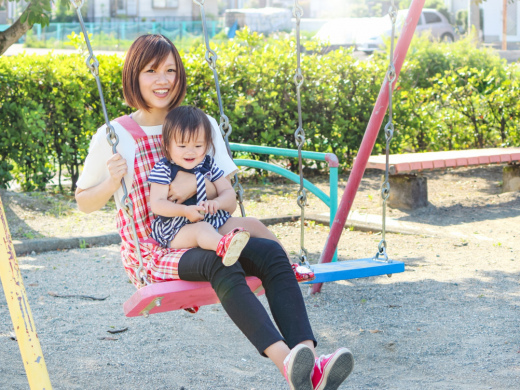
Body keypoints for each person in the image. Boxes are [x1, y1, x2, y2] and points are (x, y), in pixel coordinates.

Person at [75, 34, 353, 389]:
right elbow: (83, 201)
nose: (163, 80)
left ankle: (309, 361)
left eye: (171, 70)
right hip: (156, 249)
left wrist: (196, 187)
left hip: (211, 231)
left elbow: (224, 188)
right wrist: (110, 183)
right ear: (134, 75)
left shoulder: (197, 121)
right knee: (219, 260)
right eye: (151, 71)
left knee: (269, 252)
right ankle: (287, 363)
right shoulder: (115, 135)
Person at [148, 105, 251, 267]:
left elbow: (227, 192)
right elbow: (157, 204)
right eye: (182, 146)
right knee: (201, 229)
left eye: (198, 146)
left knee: (252, 223)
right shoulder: (164, 169)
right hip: (176, 230)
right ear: (167, 145)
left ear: (207, 145)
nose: (190, 152)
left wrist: (217, 202)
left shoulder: (208, 165)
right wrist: (184, 210)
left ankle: (289, 264)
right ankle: (224, 247)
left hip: (211, 221)